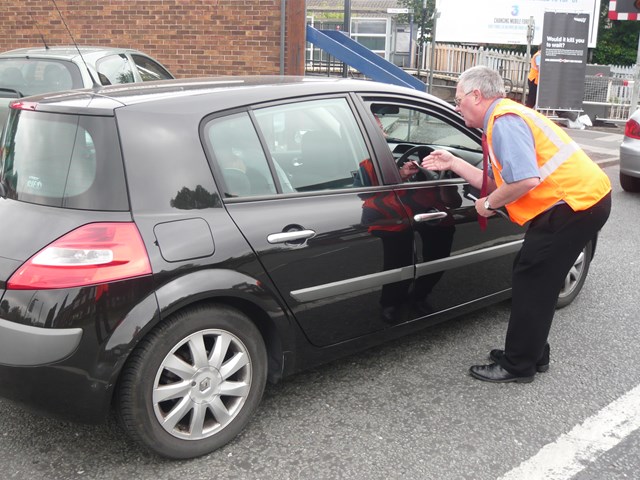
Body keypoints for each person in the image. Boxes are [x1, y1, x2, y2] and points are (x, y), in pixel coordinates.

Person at [421, 65, 611, 383]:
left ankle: (518, 365)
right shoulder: (506, 117)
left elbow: (522, 181)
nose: (456, 106)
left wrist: (487, 206)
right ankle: (532, 353)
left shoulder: (504, 122)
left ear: (476, 95)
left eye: (457, 99)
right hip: (578, 203)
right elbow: (500, 183)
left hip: (574, 205)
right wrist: (454, 162)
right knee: (533, 278)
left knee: (533, 280)